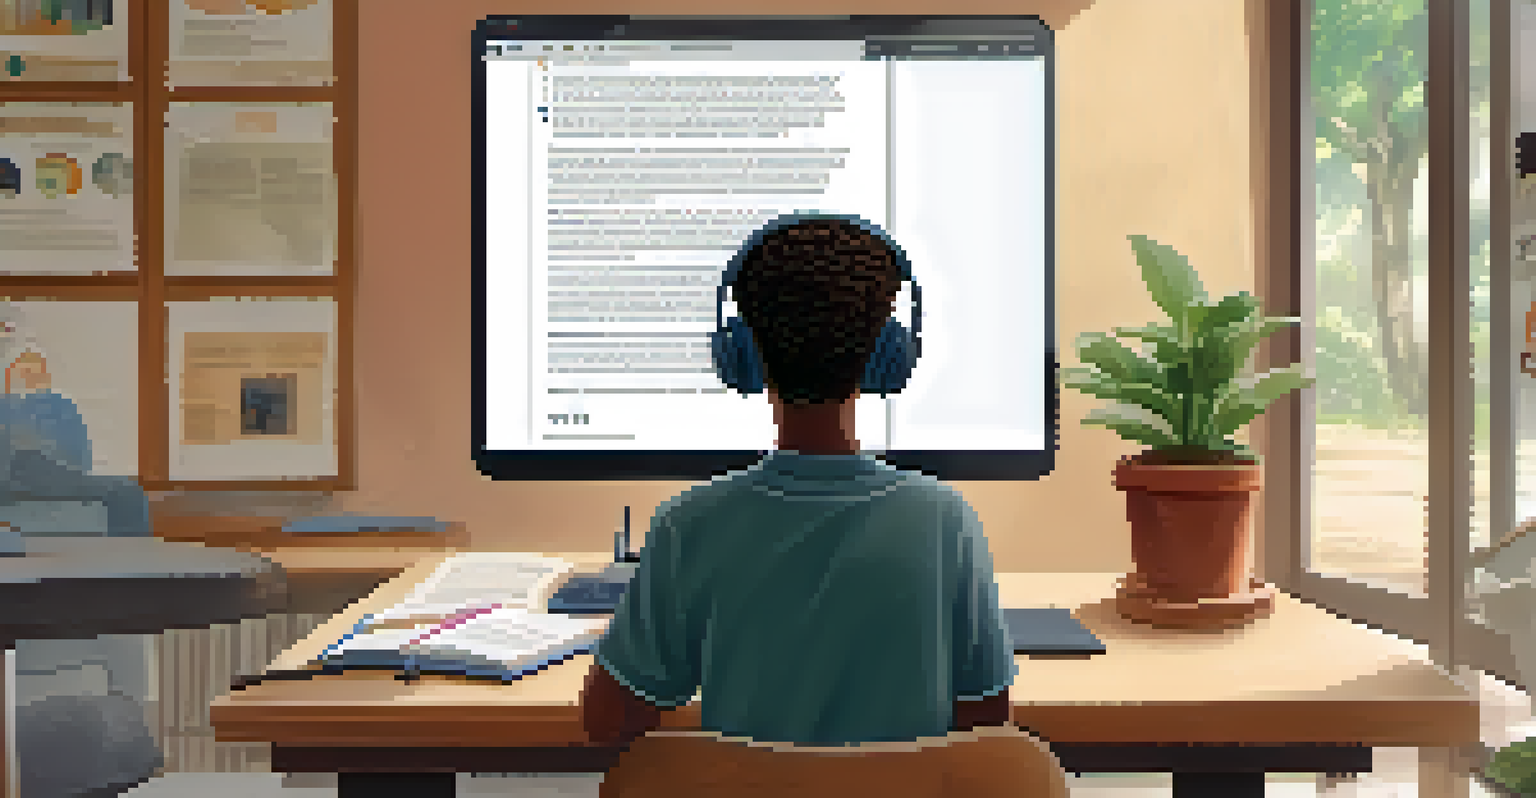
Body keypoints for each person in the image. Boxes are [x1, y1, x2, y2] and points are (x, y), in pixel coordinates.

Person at [579, 216, 1018, 759]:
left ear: (739, 350)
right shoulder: (946, 521)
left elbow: (607, 720)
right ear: (890, 353)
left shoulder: (687, 525)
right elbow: (987, 726)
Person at [0, 348, 151, 536]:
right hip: (16, 475)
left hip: (51, 473)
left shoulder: (60, 405)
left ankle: (131, 555)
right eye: (24, 372)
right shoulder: (6, 406)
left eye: (35, 372)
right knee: (126, 493)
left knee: (127, 492)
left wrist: (43, 449)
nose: (29, 378)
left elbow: (80, 456)